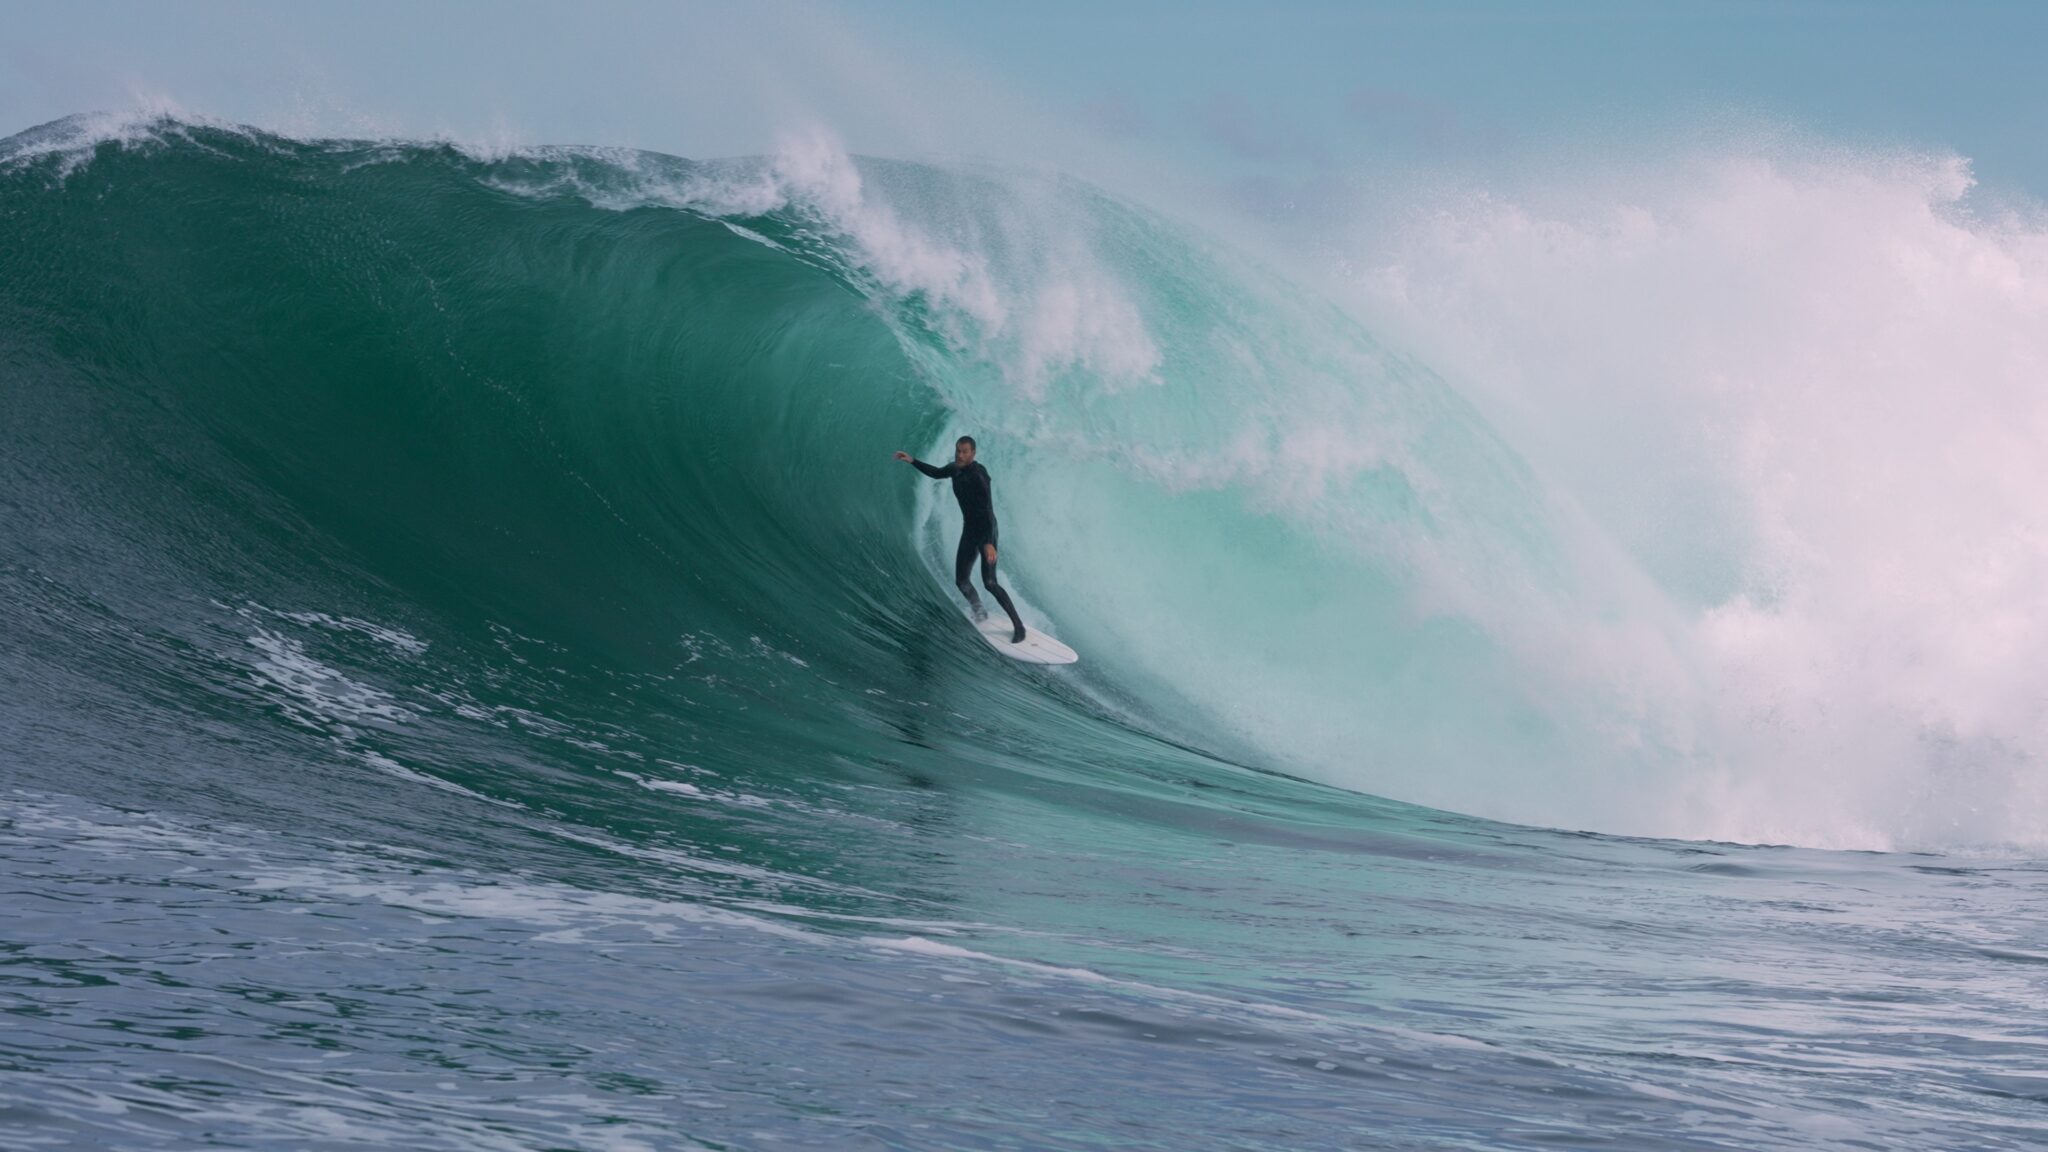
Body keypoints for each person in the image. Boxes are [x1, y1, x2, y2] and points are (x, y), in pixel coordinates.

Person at [894, 436, 1027, 643]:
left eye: (964, 451)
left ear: (973, 454)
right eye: (958, 450)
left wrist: (989, 543)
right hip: (969, 530)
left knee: (990, 583)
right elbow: (937, 473)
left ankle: (1019, 627)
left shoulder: (979, 476)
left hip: (986, 532)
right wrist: (912, 460)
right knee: (961, 580)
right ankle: (980, 612)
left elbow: (987, 512)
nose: (960, 455)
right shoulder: (955, 469)